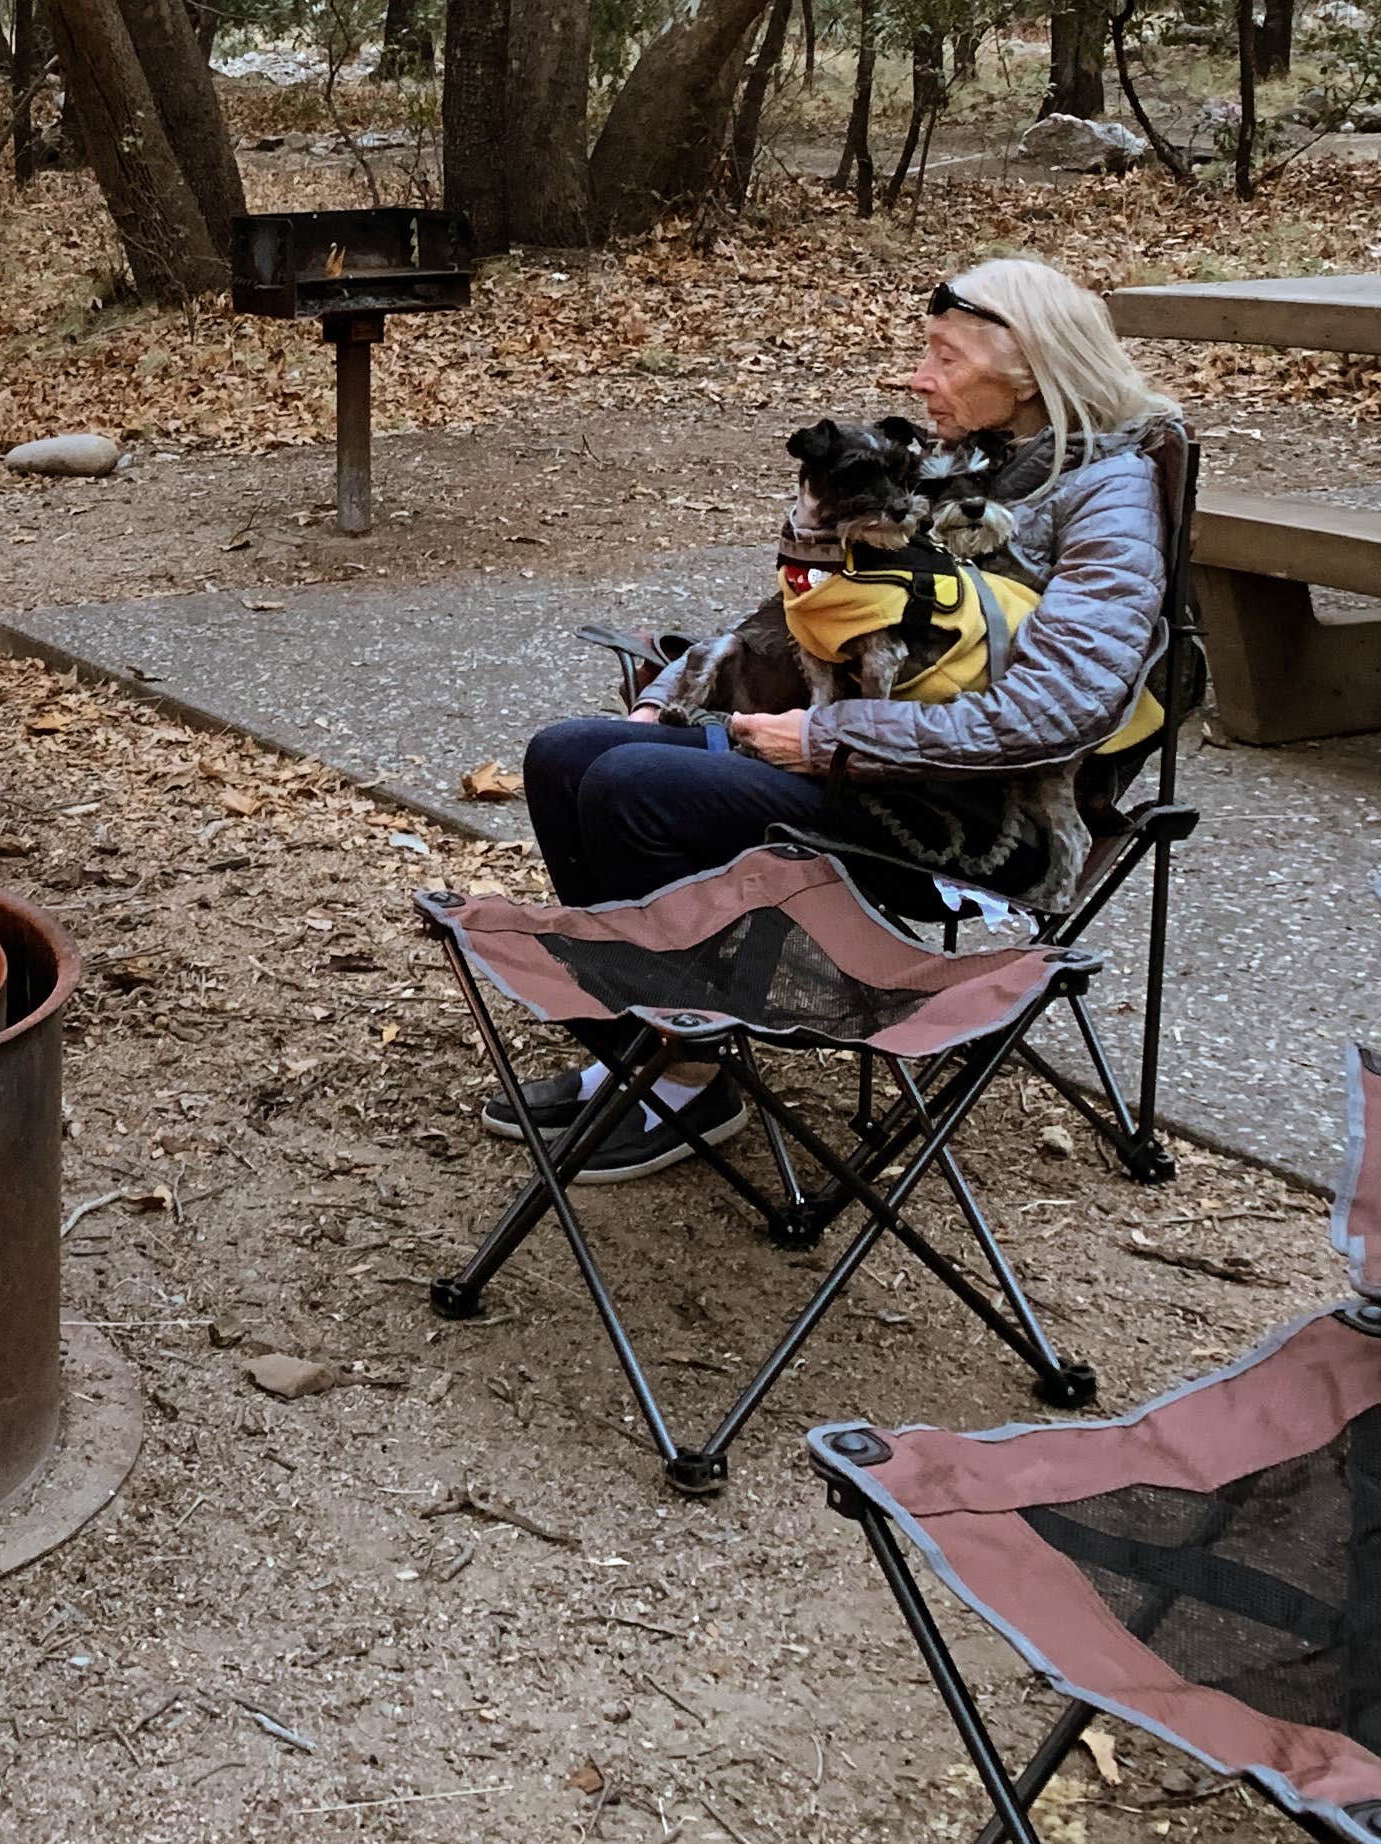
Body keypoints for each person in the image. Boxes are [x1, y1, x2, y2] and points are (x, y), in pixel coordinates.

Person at [505, 258, 1182, 1178]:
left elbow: (1055, 712)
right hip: (855, 762)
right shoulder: (940, 470)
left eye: (945, 356)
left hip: (978, 819)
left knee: (635, 787)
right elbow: (810, 603)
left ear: (1027, 371)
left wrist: (829, 739)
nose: (918, 377)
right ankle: (644, 1056)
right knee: (567, 754)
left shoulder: (1108, 494)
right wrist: (679, 684)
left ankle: (687, 1073)